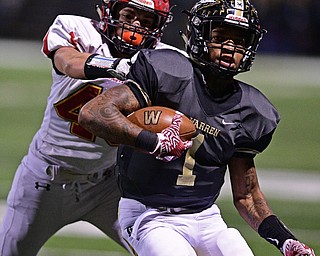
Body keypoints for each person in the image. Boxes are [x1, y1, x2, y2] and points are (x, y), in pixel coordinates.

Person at [78, 0, 316, 255]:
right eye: (221, 36)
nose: (230, 48)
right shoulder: (166, 72)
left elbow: (247, 196)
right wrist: (151, 141)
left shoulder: (253, 111)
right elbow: (92, 113)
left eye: (239, 40)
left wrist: (285, 240)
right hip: (149, 214)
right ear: (198, 35)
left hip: (205, 219)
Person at [0, 0, 174, 255]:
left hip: (110, 185)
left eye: (147, 21)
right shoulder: (78, 30)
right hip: (47, 179)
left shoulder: (165, 59)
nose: (136, 26)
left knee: (161, 250)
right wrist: (116, 66)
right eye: (129, 15)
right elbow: (68, 61)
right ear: (109, 12)